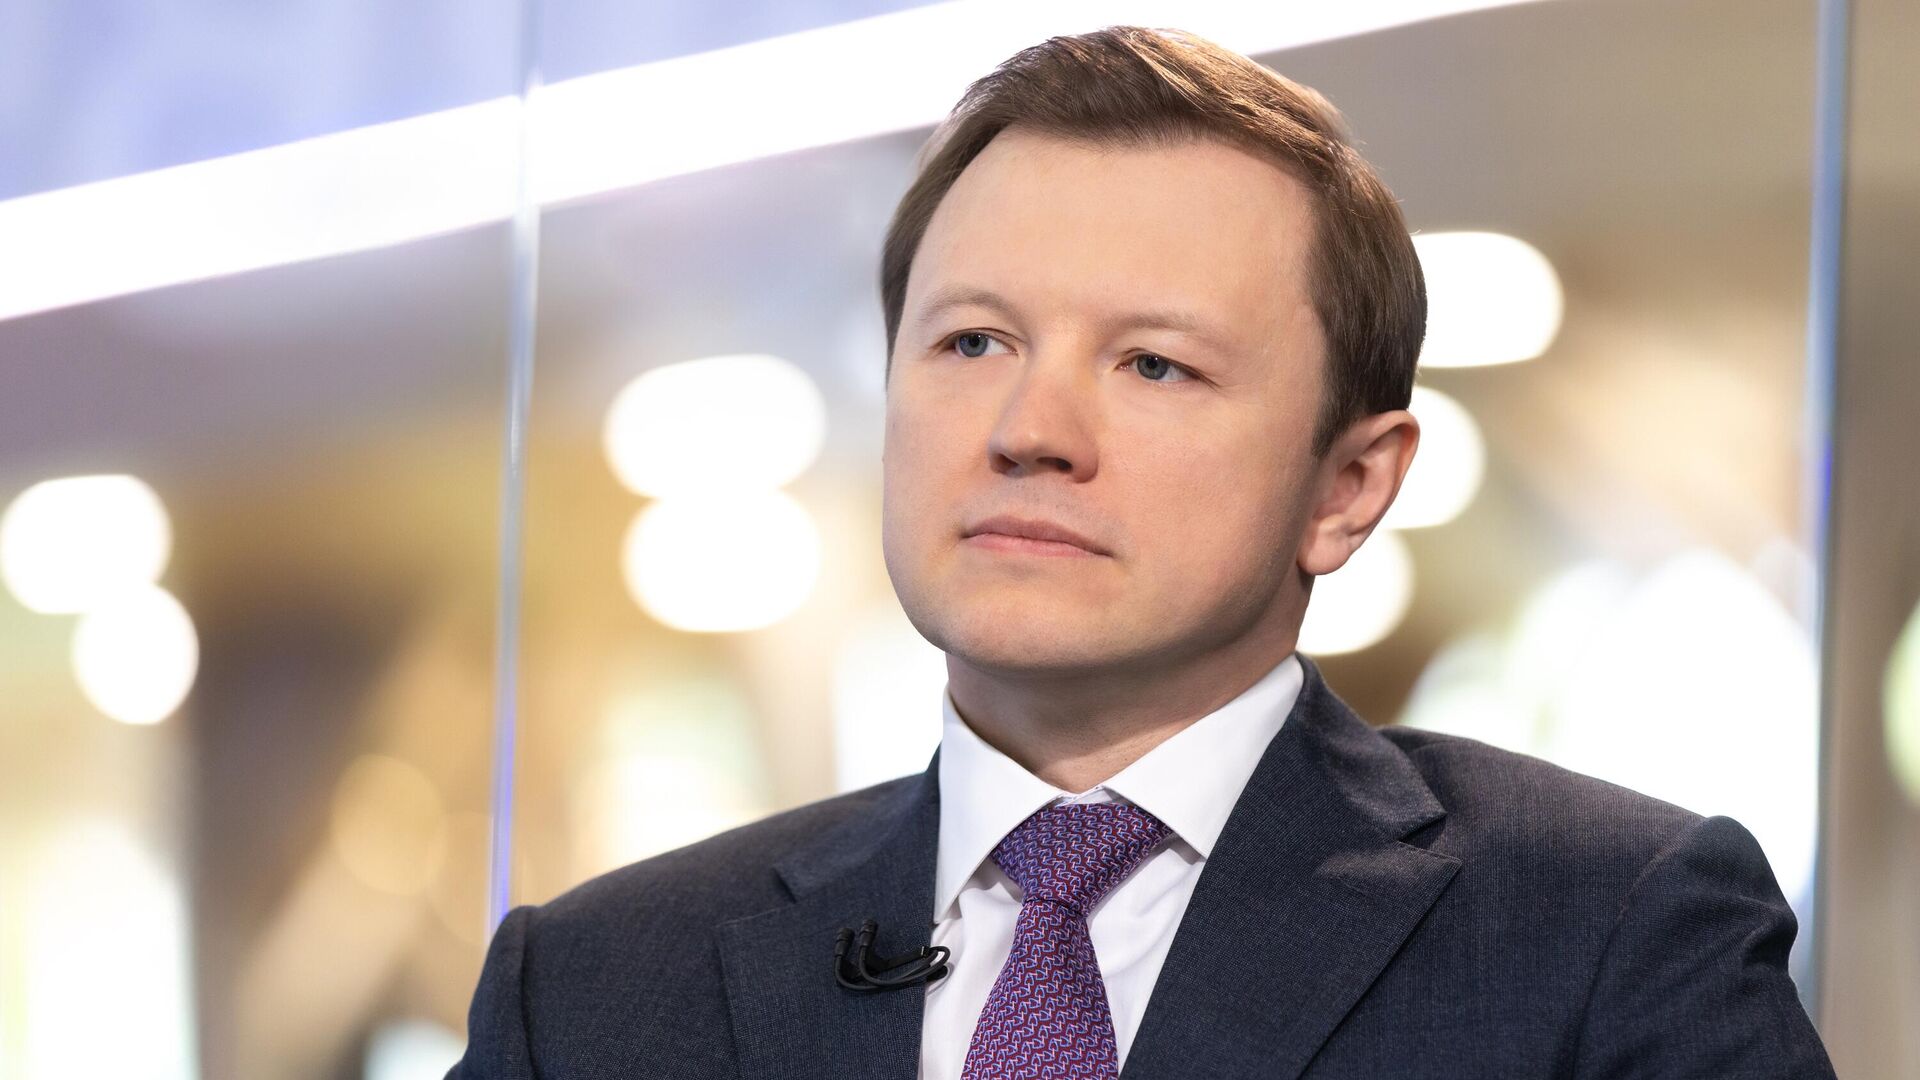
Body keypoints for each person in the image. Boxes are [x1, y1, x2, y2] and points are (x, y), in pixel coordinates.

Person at [447, 25, 1835, 1079]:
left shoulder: (1608, 933)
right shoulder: (590, 993)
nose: (1029, 430)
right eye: (972, 342)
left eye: (1155, 365)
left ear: (1349, 487)